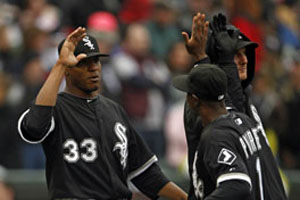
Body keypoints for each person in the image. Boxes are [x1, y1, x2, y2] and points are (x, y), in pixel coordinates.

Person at [17, 27, 188, 200]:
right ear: (67, 69)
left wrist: (184, 198)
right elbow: (34, 127)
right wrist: (59, 65)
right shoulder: (56, 108)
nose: (93, 68)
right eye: (84, 63)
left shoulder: (114, 110)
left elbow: (146, 173)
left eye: (96, 61)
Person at [181, 12, 287, 199]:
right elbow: (228, 117)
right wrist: (205, 59)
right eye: (234, 55)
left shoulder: (245, 100)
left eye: (244, 54)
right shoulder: (201, 105)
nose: (244, 60)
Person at [172, 64, 287, 199]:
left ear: (194, 100)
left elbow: (237, 184)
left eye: (188, 93)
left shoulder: (216, 136)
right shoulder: (243, 120)